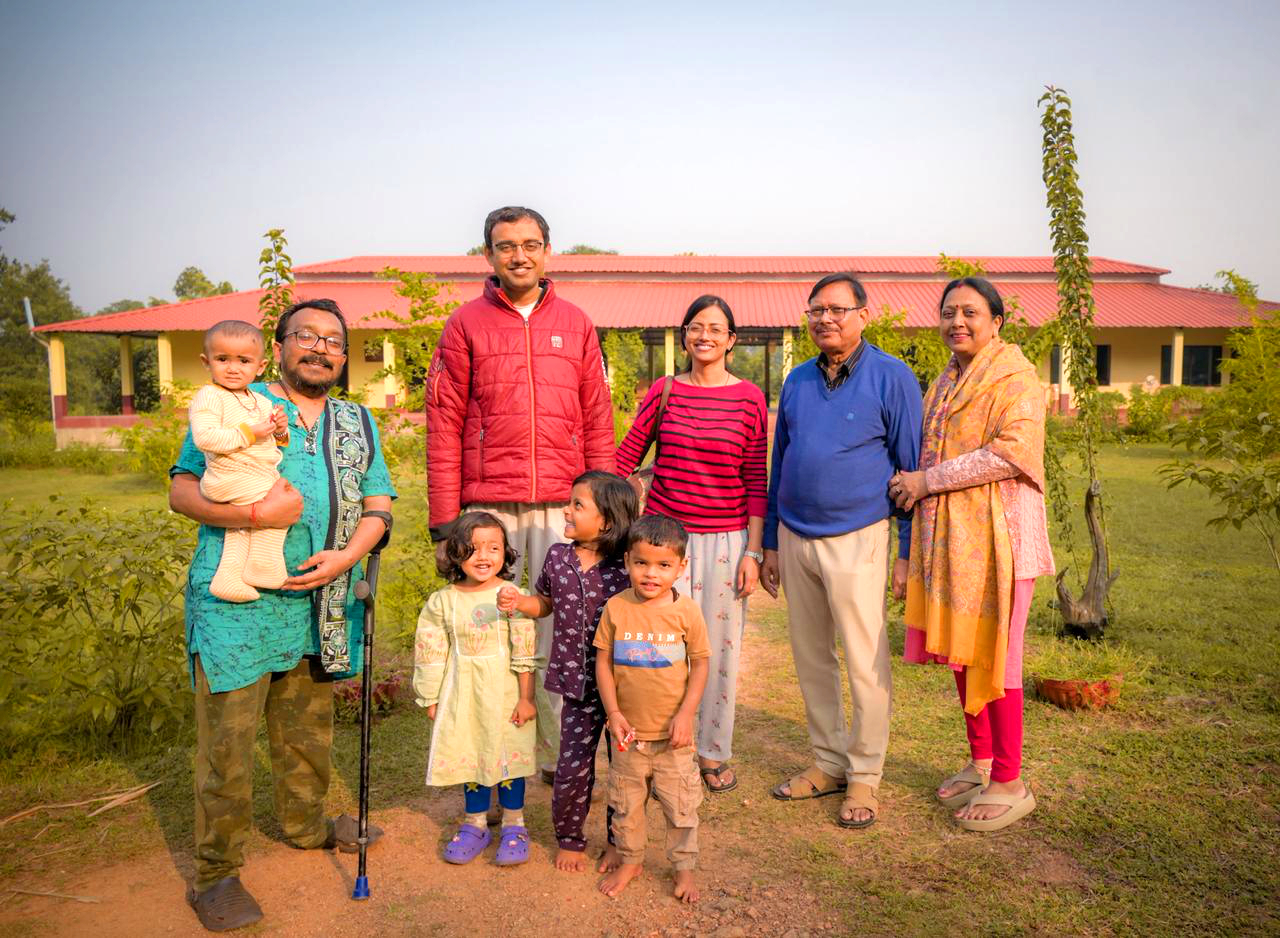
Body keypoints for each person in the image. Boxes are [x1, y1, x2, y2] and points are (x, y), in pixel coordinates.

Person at [169, 298, 396, 932]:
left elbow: (378, 502)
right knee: (228, 745)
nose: (320, 349)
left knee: (307, 732)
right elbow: (181, 490)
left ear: (344, 356)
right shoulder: (236, 399)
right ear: (278, 347)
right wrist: (252, 515)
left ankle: (305, 826)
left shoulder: (356, 420)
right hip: (235, 606)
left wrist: (348, 556)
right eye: (306, 336)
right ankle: (216, 873)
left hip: (318, 603)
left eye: (333, 341)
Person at [426, 205, 616, 785]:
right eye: (506, 245)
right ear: (488, 255)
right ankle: (495, 749)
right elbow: (443, 423)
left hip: (563, 505)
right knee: (490, 625)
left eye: (530, 244)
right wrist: (445, 522)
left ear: (547, 251)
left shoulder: (577, 323)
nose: (519, 255)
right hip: (488, 504)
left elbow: (597, 417)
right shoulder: (464, 324)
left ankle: (558, 753)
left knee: (564, 626)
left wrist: (605, 509)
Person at [890, 276, 1054, 832]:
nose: (956, 322)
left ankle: (1010, 780)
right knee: (964, 653)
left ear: (996, 322)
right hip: (953, 540)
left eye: (970, 312)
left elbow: (1011, 453)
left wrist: (926, 482)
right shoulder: (946, 380)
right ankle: (982, 760)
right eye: (948, 312)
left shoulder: (1016, 378)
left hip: (1002, 538)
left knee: (997, 657)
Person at [761, 272, 922, 830]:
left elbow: (910, 468)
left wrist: (905, 552)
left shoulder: (892, 376)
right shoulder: (798, 379)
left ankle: (865, 775)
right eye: (816, 310)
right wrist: (770, 542)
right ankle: (828, 762)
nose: (825, 319)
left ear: (862, 315)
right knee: (811, 656)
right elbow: (780, 461)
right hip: (795, 535)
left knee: (864, 659)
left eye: (837, 309)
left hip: (860, 535)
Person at [615, 295, 768, 794]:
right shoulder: (664, 391)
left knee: (716, 651)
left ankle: (712, 750)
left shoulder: (749, 398)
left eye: (716, 329)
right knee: (657, 646)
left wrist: (753, 552)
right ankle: (654, 742)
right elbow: (626, 457)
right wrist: (600, 509)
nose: (705, 336)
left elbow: (755, 479)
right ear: (685, 336)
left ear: (732, 340)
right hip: (663, 544)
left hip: (726, 541)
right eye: (696, 327)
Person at [497, 470, 638, 873]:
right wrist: (520, 603)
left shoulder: (628, 566)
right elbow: (544, 603)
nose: (566, 510)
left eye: (578, 504)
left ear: (607, 521)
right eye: (569, 502)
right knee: (573, 768)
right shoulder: (558, 557)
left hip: (626, 690)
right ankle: (571, 838)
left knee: (625, 771)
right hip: (576, 688)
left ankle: (620, 842)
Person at [593, 515, 711, 904]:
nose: (651, 573)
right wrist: (614, 713)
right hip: (628, 735)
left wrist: (686, 714)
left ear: (681, 567)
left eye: (663, 565)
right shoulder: (615, 608)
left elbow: (701, 665)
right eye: (641, 562)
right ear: (627, 560)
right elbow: (603, 663)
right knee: (626, 806)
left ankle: (684, 868)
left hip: (673, 738)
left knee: (681, 807)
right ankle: (630, 861)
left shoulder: (687, 611)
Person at [413, 512, 539, 866]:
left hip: (508, 695)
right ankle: (475, 824)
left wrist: (527, 698)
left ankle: (514, 824)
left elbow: (525, 648)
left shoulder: (512, 596)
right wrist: (431, 696)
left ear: (505, 552)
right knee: (472, 756)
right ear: (455, 552)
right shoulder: (443, 601)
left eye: (493, 547)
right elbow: (430, 651)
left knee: (510, 759)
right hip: (463, 697)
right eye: (473, 548)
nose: (484, 556)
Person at [188, 320, 290, 602]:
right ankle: (265, 565)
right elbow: (205, 438)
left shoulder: (261, 401)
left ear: (260, 366)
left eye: (244, 361)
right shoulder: (210, 396)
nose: (233, 368)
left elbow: (274, 441)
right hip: (227, 476)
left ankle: (229, 578)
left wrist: (279, 429)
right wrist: (250, 432)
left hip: (254, 476)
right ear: (206, 362)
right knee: (280, 506)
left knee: (242, 529)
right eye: (223, 359)